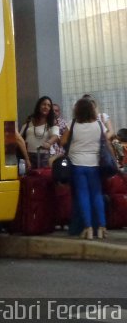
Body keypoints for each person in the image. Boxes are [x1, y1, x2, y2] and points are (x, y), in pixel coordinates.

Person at [60, 98, 111, 239]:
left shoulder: (73, 124)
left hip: (77, 164)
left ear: (78, 110)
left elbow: (63, 141)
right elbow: (106, 142)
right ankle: (102, 227)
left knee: (83, 195)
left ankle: (88, 228)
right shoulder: (99, 124)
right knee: (97, 195)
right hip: (94, 164)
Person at [19, 96, 60, 169]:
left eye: (48, 105)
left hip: (43, 158)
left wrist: (49, 143)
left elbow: (55, 136)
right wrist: (26, 158)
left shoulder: (52, 122)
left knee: (42, 178)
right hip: (27, 157)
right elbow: (20, 138)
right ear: (39, 106)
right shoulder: (29, 121)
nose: (46, 107)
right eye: (44, 104)